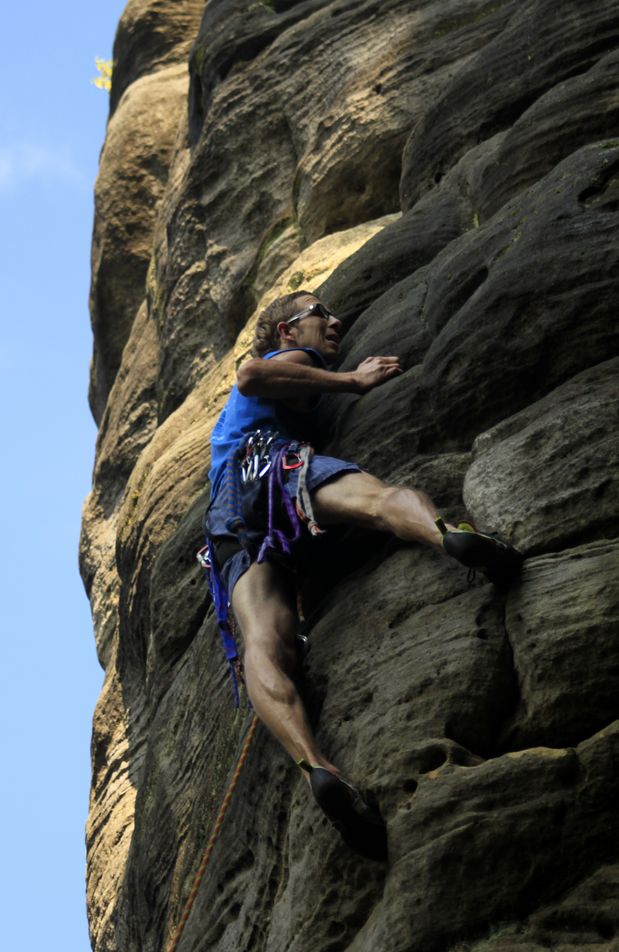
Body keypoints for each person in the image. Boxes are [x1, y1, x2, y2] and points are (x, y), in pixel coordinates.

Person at [204, 291, 521, 860]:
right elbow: (250, 376)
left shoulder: (258, 403)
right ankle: (446, 534)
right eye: (319, 314)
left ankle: (317, 768)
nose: (334, 321)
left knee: (261, 643)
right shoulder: (292, 362)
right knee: (380, 500)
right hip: (271, 464)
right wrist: (354, 381)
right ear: (286, 331)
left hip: (228, 514)